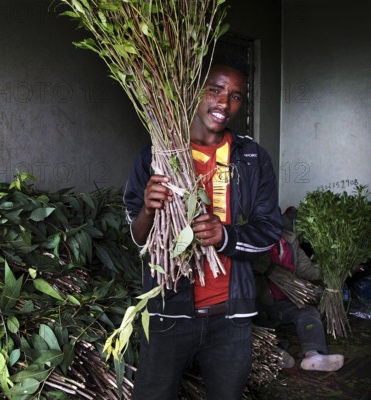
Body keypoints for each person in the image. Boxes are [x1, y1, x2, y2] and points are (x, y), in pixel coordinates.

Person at [123, 54, 283, 400]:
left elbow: (270, 228)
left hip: (231, 316)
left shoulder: (253, 158)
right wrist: (148, 212)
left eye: (236, 95)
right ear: (194, 93)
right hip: (169, 311)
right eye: (215, 90)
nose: (225, 103)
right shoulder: (155, 156)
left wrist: (226, 236)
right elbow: (136, 238)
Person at [253, 208, 345, 372]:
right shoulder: (255, 241)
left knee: (309, 314)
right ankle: (273, 352)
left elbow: (306, 268)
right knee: (254, 326)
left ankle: (313, 355)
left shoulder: (289, 242)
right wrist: (263, 266)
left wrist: (333, 271)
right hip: (260, 302)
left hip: (287, 300)